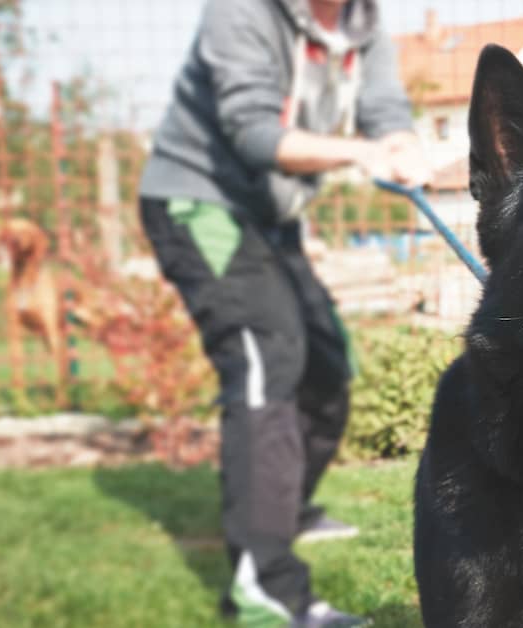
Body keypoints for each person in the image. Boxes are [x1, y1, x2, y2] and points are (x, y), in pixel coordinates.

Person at [137, 0, 428, 625]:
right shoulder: (239, 13)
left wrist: (400, 144)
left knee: (326, 369)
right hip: (200, 203)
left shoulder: (363, 23)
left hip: (272, 218)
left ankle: (281, 507)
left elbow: (384, 109)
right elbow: (255, 133)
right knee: (268, 360)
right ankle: (263, 587)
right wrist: (358, 153)